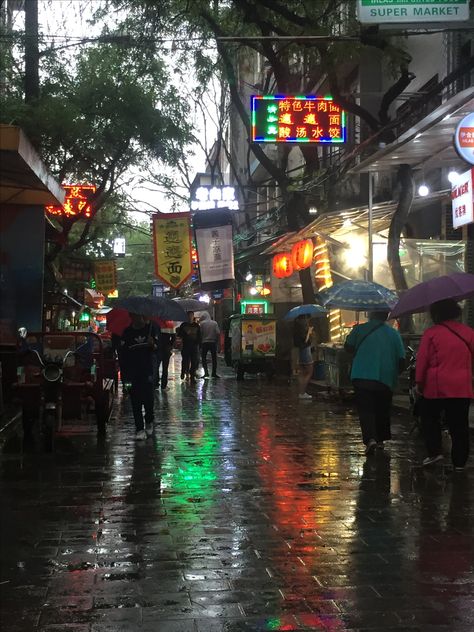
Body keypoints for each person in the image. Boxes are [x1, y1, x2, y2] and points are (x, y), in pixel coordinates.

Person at [415, 298, 474, 469]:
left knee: (429, 418)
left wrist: (419, 382)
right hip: (462, 386)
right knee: (460, 425)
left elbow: (423, 360)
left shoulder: (431, 333)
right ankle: (460, 462)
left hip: (436, 386)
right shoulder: (469, 333)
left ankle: (435, 452)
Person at [345, 311, 405, 456]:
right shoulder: (393, 334)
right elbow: (401, 358)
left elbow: (348, 347)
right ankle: (380, 440)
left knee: (366, 409)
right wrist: (395, 373)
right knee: (382, 409)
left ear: (370, 314)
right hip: (385, 377)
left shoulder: (359, 329)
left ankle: (370, 438)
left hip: (361, 375)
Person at [120, 314, 160, 440]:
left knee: (149, 400)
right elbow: (123, 354)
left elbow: (157, 350)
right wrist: (124, 376)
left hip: (147, 370)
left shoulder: (151, 329)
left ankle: (149, 420)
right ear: (132, 317)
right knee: (135, 401)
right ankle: (139, 428)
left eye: (141, 316)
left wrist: (152, 344)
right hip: (132, 372)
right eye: (136, 316)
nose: (140, 319)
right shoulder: (127, 333)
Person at [176, 311, 201, 384]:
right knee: (185, 360)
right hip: (186, 345)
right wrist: (185, 333)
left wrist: (199, 344)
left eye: (191, 315)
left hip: (194, 346)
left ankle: (192, 376)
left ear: (193, 316)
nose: (190, 317)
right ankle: (183, 371)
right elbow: (179, 335)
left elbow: (199, 336)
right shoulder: (183, 325)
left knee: (194, 361)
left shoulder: (196, 326)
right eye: (189, 316)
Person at [293, 315, 314, 400]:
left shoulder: (295, 328)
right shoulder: (303, 328)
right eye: (307, 318)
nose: (308, 320)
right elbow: (305, 340)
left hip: (299, 351)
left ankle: (301, 393)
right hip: (305, 350)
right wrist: (309, 332)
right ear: (303, 319)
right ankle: (302, 392)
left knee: (301, 373)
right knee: (309, 372)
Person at [199, 312, 220, 378]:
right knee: (214, 358)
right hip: (213, 342)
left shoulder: (202, 324)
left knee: (203, 358)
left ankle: (206, 373)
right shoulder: (214, 323)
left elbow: (200, 334)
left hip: (204, 343)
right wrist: (217, 342)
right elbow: (218, 333)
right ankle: (214, 373)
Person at [155, 324, 176, 390]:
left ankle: (156, 383)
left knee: (156, 367)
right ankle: (164, 385)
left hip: (158, 349)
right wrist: (170, 346)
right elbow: (173, 338)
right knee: (165, 368)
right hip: (166, 349)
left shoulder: (155, 324)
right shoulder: (170, 324)